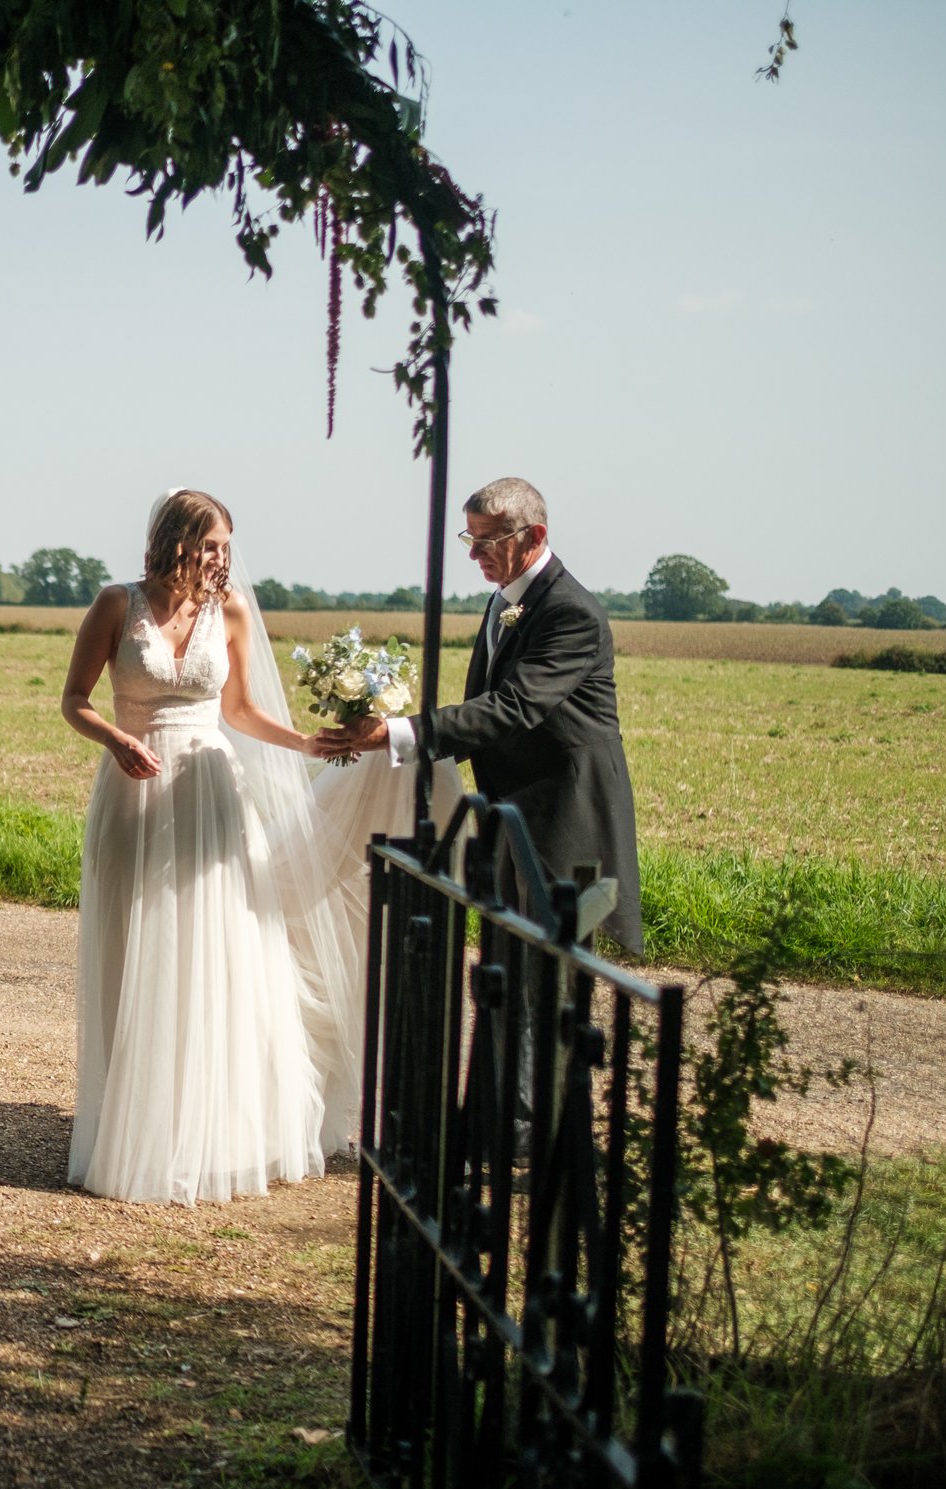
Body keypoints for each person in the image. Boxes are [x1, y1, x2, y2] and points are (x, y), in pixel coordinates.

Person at [59, 489, 368, 1205]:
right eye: (208, 543)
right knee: (136, 949)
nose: (220, 557)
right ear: (173, 539)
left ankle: (217, 1132)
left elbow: (239, 711)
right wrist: (115, 738)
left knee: (214, 954)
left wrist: (306, 742)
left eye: (226, 544)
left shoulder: (227, 612)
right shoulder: (116, 604)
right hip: (134, 790)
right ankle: (137, 1128)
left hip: (209, 796)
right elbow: (74, 698)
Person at [322, 476, 642, 953]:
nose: (474, 555)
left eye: (487, 541)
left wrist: (400, 733)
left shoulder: (570, 612)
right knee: (503, 962)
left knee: (549, 968)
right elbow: (484, 704)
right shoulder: (504, 599)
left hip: (563, 811)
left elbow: (512, 707)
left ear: (534, 537)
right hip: (508, 807)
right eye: (469, 539)